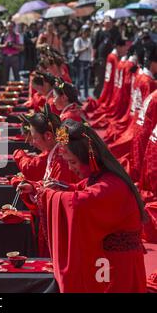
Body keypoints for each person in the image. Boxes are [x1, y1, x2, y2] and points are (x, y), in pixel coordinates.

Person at [18, 120, 146, 293]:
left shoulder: (111, 185)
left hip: (117, 267)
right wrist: (37, 187)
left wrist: (46, 194)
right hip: (106, 261)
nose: (71, 168)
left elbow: (79, 201)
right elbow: (74, 188)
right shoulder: (102, 177)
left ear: (90, 157)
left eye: (73, 162)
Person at [12, 108, 79, 256]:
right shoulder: (56, 153)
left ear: (48, 135)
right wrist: (33, 187)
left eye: (34, 137)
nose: (32, 143)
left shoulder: (62, 160)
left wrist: (37, 190)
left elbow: (61, 198)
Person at [93, 17, 121, 98]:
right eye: (106, 22)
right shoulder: (99, 32)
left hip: (112, 59)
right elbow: (95, 46)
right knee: (99, 79)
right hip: (101, 58)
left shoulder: (115, 32)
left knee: (111, 78)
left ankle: (110, 97)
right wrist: (93, 57)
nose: (108, 23)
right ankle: (97, 96)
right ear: (103, 23)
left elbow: (118, 45)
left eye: (110, 22)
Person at [73, 25, 93, 99]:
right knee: (79, 79)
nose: (86, 33)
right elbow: (76, 50)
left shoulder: (89, 40)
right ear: (82, 31)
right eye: (85, 31)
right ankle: (77, 94)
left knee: (86, 80)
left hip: (87, 61)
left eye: (88, 31)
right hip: (80, 61)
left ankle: (86, 95)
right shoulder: (78, 40)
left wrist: (91, 59)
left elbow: (91, 50)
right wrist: (85, 48)